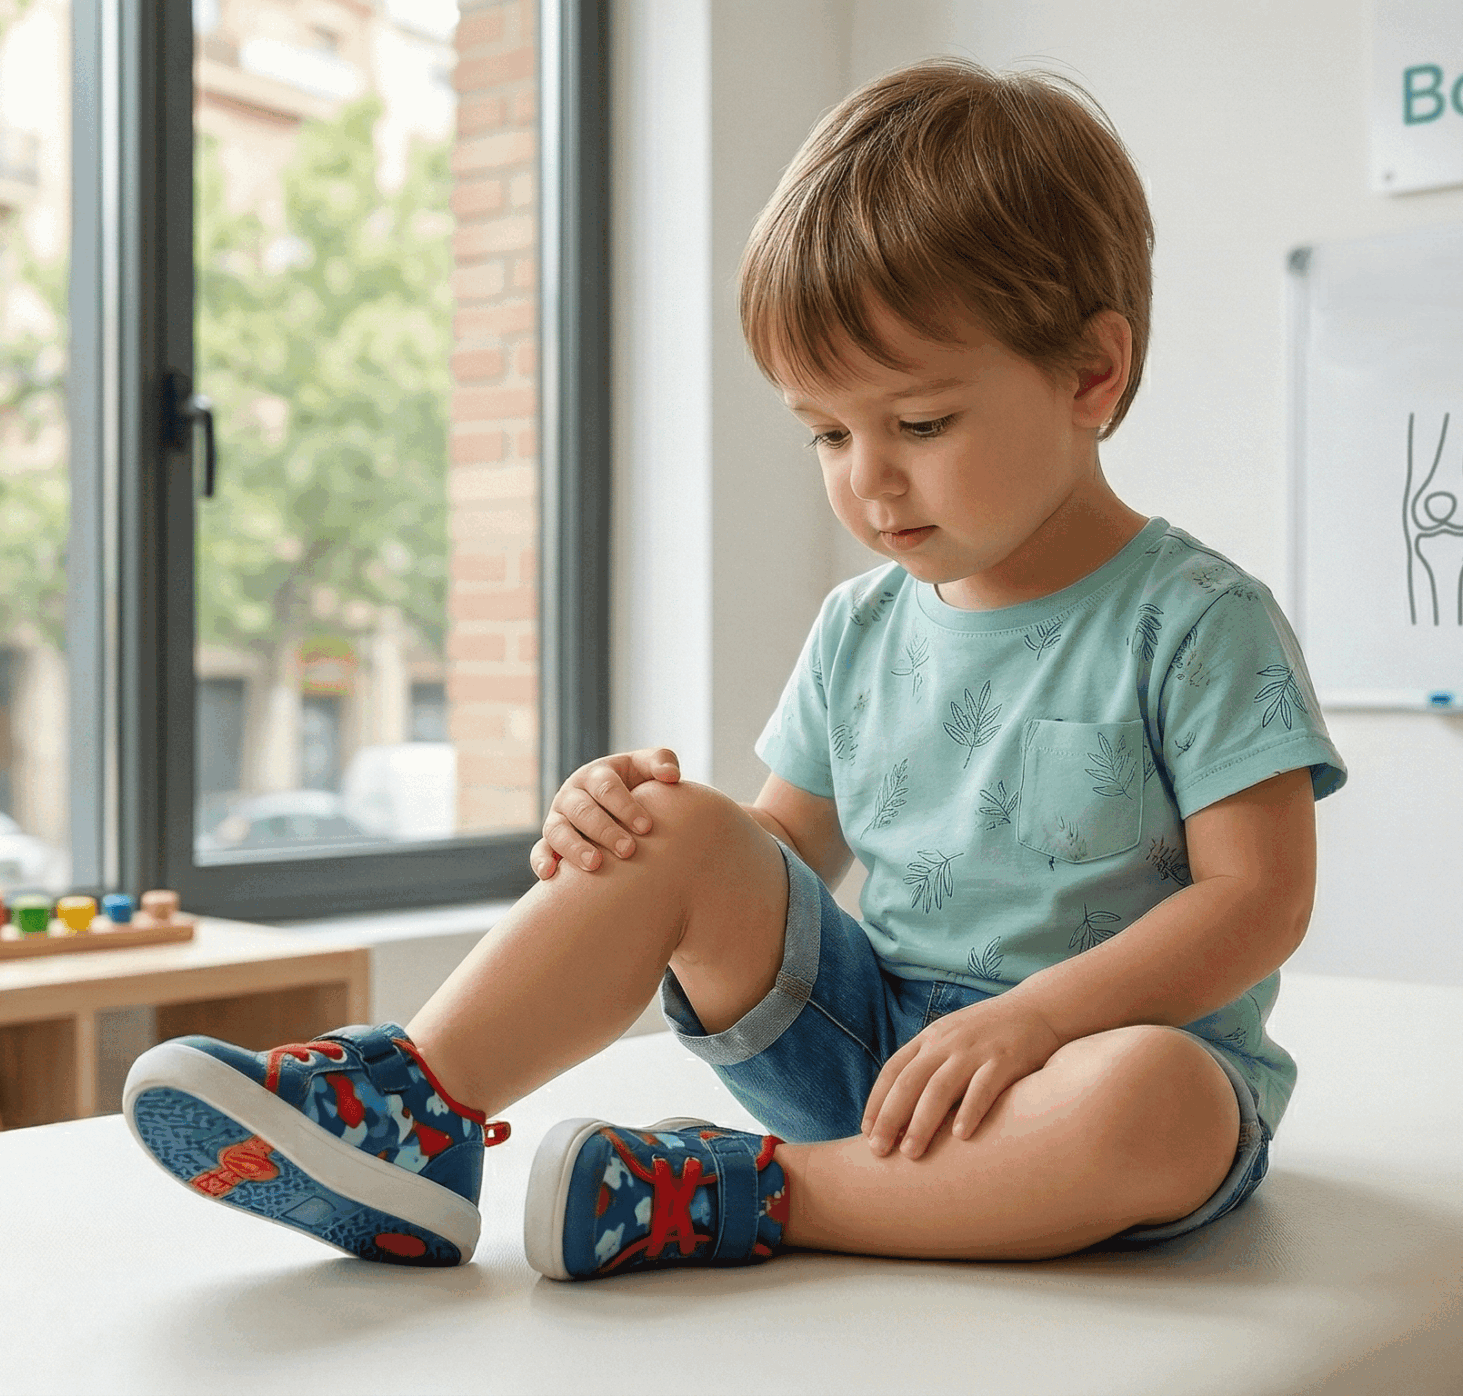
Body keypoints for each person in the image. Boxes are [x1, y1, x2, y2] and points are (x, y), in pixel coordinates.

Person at [121, 56, 1348, 1279]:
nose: (867, 477)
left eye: (918, 423)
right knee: (671, 819)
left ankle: (749, 1195)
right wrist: (629, 838)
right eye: (827, 430)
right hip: (867, 1051)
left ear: (1091, 373)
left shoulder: (1194, 619)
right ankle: (414, 1110)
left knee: (1154, 1099)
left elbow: (1257, 902)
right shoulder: (859, 627)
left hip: (1081, 1069)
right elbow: (776, 852)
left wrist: (1037, 1019)